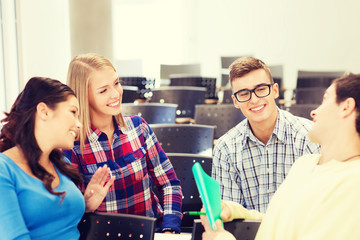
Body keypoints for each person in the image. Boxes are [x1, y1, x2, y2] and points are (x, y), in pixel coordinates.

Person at [201, 72, 360, 239]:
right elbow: (281, 223)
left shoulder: (353, 185)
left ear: (346, 107)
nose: (314, 111)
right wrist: (233, 210)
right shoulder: (306, 164)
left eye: (325, 100)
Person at [63, 53, 182, 233]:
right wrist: (86, 205)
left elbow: (169, 183)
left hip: (151, 233)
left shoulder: (138, 127)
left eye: (116, 83)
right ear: (82, 96)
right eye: (103, 90)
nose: (115, 94)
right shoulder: (72, 145)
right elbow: (67, 216)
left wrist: (170, 228)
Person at [0, 77, 115, 240]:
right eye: (73, 112)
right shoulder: (4, 170)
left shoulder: (62, 164)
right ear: (44, 111)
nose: (79, 124)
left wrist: (86, 206)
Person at [212, 57, 320, 212]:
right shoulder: (225, 148)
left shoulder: (309, 137)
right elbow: (230, 217)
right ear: (235, 101)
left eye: (261, 89)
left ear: (275, 90)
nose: (254, 99)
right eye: (243, 93)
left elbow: (317, 209)